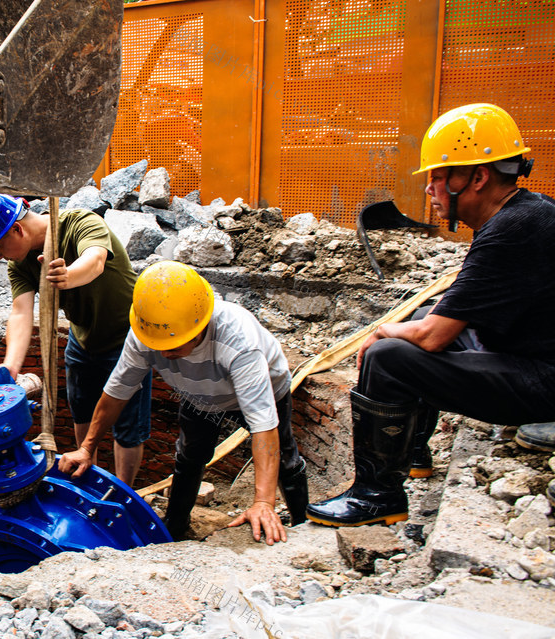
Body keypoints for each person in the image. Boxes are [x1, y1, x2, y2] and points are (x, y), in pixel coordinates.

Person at [306, 103, 555, 527]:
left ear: (476, 177)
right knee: (421, 317)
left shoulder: (512, 230)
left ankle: (377, 494)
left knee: (389, 358)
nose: (430, 189)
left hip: (544, 382)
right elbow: (451, 310)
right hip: (533, 355)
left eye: (439, 177)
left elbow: (434, 338)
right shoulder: (526, 213)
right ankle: (411, 451)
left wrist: (382, 331)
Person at [59, 260, 309, 543]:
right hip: (198, 396)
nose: (165, 355)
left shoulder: (237, 340)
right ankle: (175, 529)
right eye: (159, 347)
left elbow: (264, 428)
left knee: (285, 458)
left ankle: (302, 522)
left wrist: (263, 502)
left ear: (199, 326)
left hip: (265, 387)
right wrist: (86, 447)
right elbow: (116, 393)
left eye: (174, 346)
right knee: (189, 458)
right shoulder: (147, 333)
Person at [0, 192, 152, 485]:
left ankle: (124, 491)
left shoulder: (80, 223)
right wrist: (10, 368)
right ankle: (87, 476)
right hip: (83, 339)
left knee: (127, 427)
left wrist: (69, 275)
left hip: (127, 340)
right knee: (82, 412)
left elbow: (96, 259)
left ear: (17, 228)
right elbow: (21, 313)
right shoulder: (21, 263)